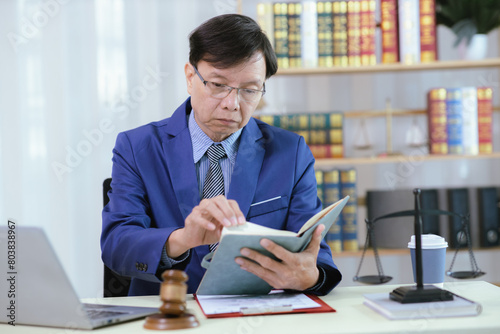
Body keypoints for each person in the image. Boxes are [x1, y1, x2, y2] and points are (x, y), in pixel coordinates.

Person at [101, 13, 342, 296]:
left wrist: (309, 277)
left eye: (249, 90)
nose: (231, 104)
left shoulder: (291, 152)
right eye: (218, 85)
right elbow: (117, 247)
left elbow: (316, 255)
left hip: (256, 314)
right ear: (191, 77)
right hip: (169, 314)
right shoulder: (136, 147)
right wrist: (181, 239)